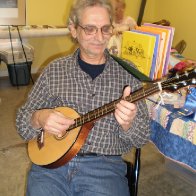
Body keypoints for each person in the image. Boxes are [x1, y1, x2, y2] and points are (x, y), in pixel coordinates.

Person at [16, 0, 150, 195]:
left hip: (104, 169)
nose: (99, 37)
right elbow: (22, 123)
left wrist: (128, 124)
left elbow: (142, 138)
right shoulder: (54, 70)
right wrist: (39, 117)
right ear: (73, 29)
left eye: (105, 29)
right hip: (51, 168)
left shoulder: (128, 74)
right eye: (89, 29)